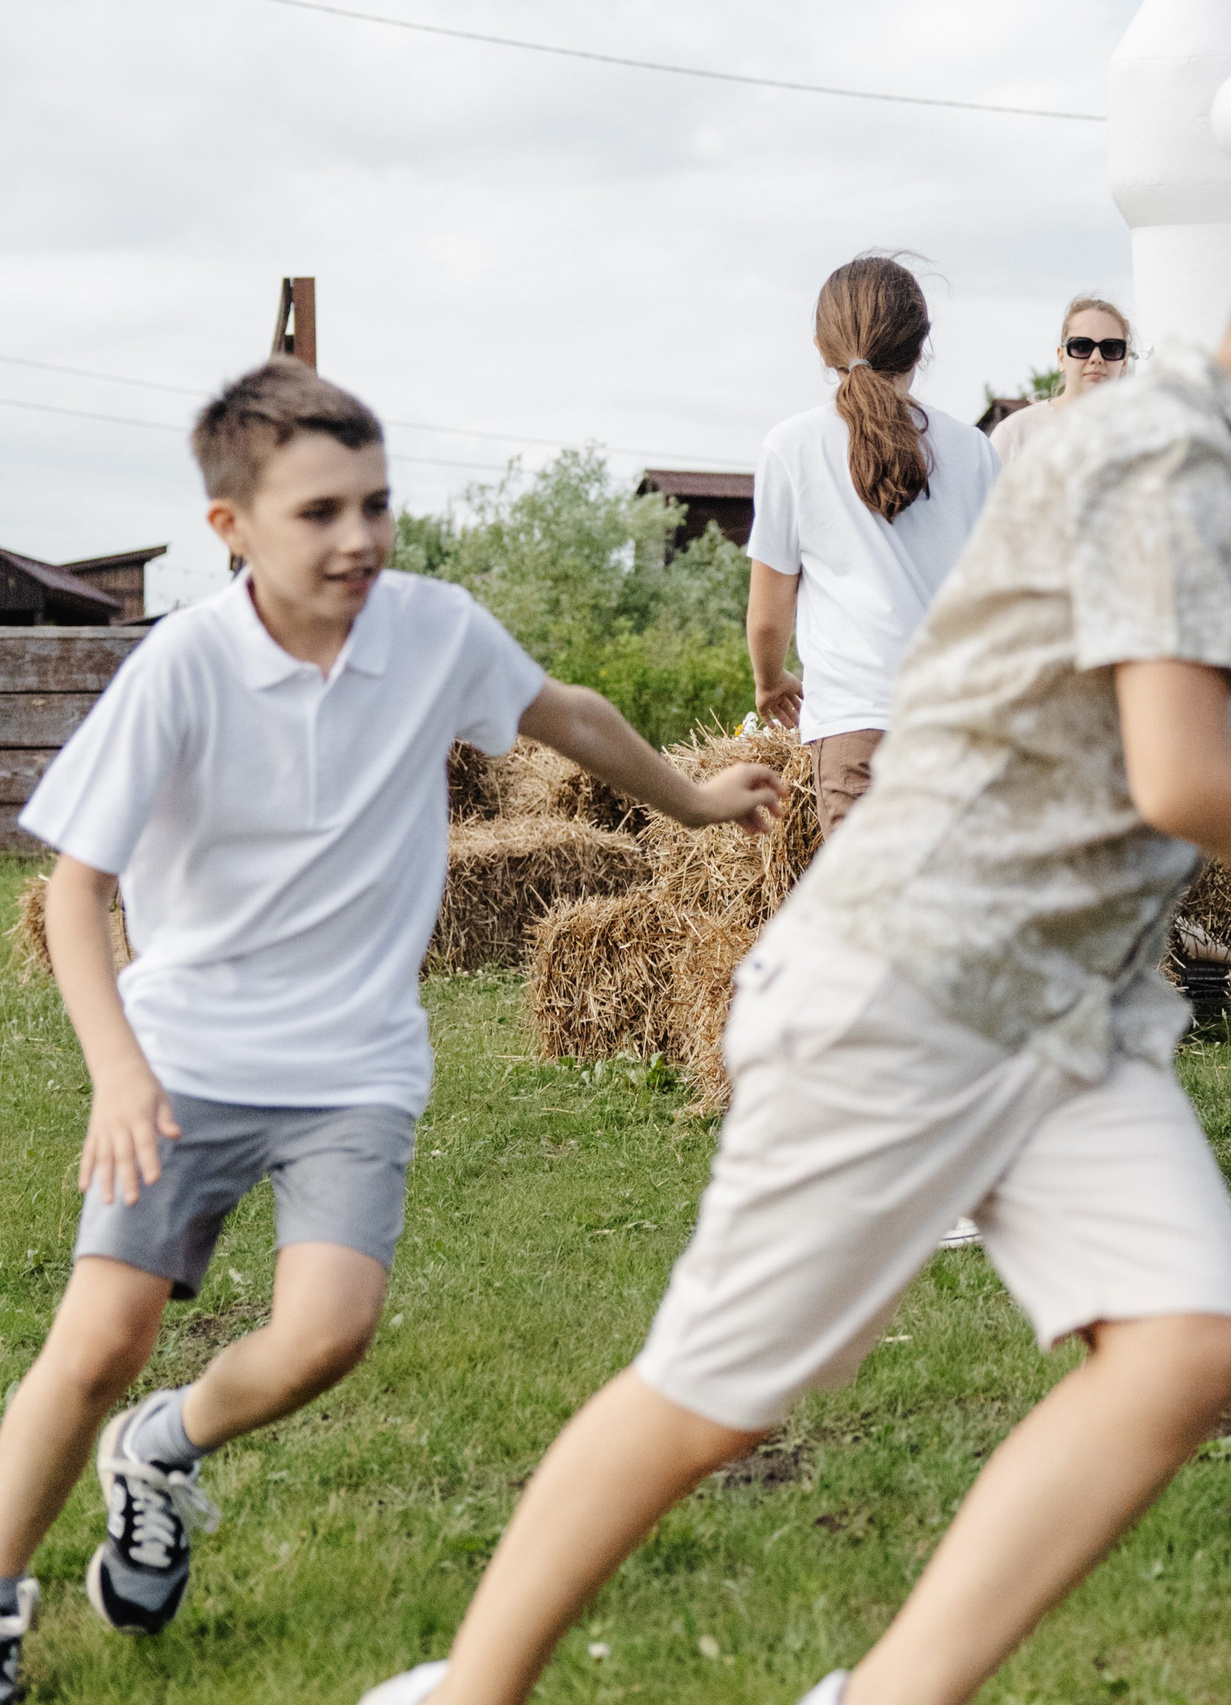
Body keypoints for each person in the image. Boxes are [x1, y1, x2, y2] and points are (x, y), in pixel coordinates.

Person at [359, 159, 1231, 1705]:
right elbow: (1184, 767)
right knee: (719, 1391)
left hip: (1064, 1012)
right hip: (914, 988)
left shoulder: (1169, 459)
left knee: (1186, 1341)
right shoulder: (1182, 468)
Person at [0, 360, 781, 1700]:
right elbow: (76, 890)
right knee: (97, 1340)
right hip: (184, 1055)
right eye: (318, 513)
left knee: (328, 1333)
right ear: (231, 529)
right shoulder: (183, 668)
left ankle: (166, 1447)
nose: (358, 536)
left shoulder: (434, 631)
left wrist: (697, 799)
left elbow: (571, 717)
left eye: (375, 503)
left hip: (353, 1060)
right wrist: (119, 1073)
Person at [746, 255, 1003, 840]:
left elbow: (767, 618)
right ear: (921, 347)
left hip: (857, 734)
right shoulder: (975, 451)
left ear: (820, 346)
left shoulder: (791, 446)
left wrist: (771, 681)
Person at [987, 296, 1135, 465]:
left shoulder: (1145, 435)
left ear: (1124, 362)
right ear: (1061, 358)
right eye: (1081, 346)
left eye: (1111, 348)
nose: (1096, 357)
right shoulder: (1015, 432)